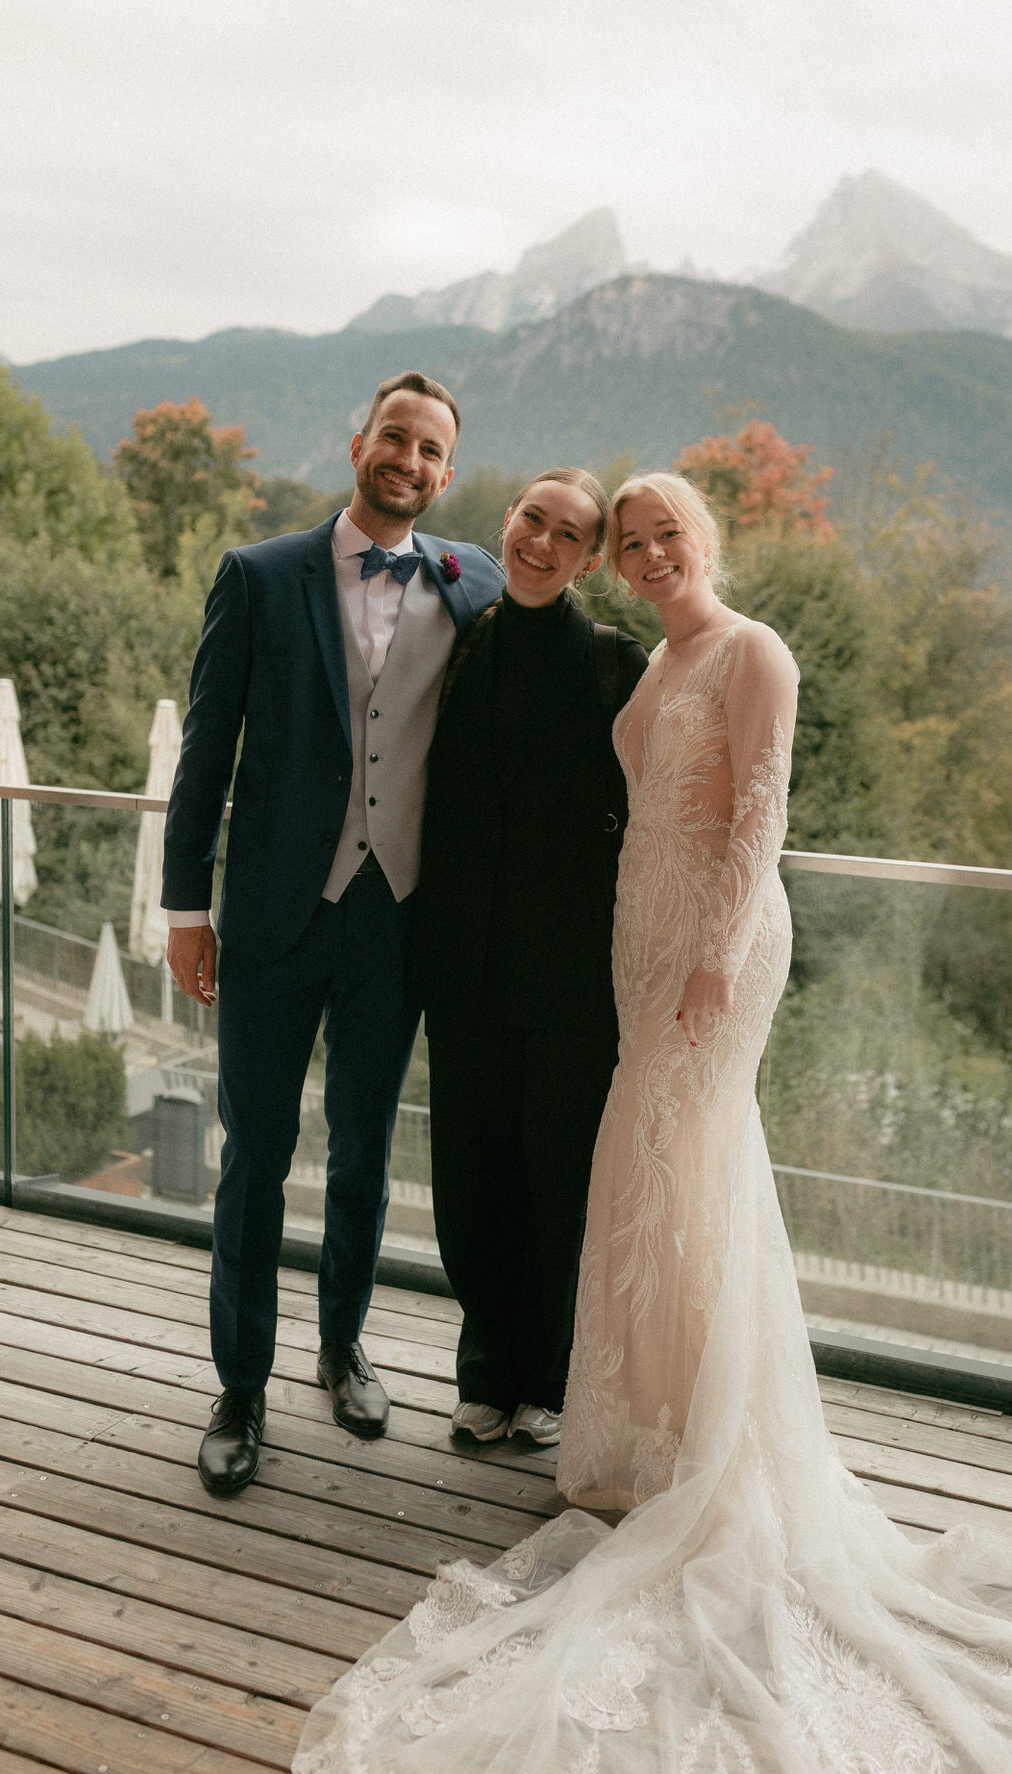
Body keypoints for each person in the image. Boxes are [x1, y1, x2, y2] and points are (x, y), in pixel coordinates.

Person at [284, 475, 1012, 1774]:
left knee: (683, 1169)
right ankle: (646, 1431)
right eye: (628, 543)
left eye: (659, 536)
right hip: (638, 948)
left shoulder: (753, 649)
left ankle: (711, 1450)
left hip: (711, 951)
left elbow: (761, 808)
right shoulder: (657, 661)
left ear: (702, 537)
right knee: (649, 1185)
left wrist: (713, 954)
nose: (646, 555)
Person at [162, 371, 504, 1498]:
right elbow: (205, 755)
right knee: (256, 1155)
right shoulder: (259, 578)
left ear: (446, 474)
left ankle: (342, 1344)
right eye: (393, 437)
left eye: (430, 449)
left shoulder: (476, 584)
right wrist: (185, 911)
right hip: (270, 918)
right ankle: (241, 1387)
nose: (408, 458)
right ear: (358, 444)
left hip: (394, 924)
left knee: (364, 1154)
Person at [414, 468, 647, 1450]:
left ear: (590, 559)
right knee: (470, 1182)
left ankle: (547, 1379)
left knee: (559, 1184)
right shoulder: (456, 647)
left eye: (568, 535)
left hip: (572, 976)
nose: (542, 544)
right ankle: (485, 1372)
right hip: (464, 965)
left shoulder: (615, 664)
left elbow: (658, 814)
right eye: (531, 521)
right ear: (507, 524)